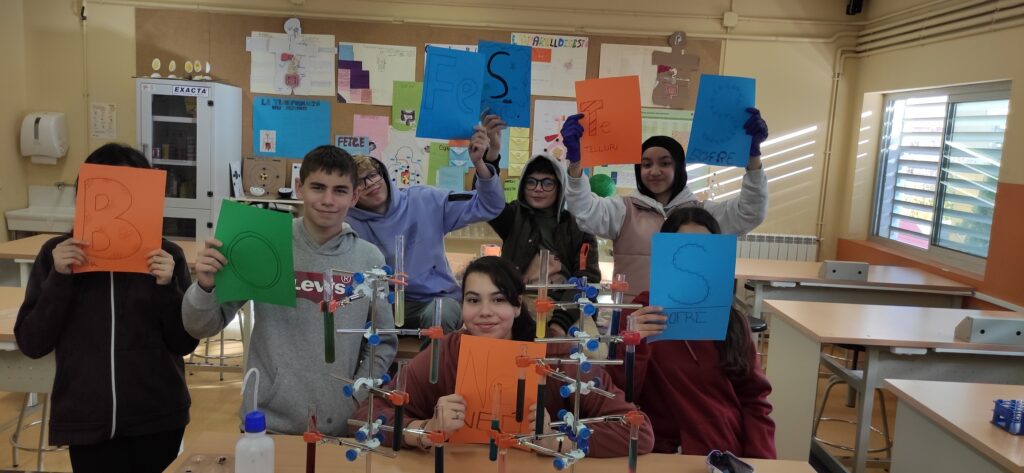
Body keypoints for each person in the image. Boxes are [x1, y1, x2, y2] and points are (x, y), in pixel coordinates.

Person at [182, 145, 396, 436]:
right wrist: (205, 287)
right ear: (299, 187)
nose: (328, 200)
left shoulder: (370, 259)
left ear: (354, 196)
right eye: (318, 187)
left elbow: (382, 342)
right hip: (267, 423)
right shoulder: (265, 245)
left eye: (340, 190)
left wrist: (357, 395)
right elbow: (200, 326)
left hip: (339, 427)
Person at [352, 256, 655, 457]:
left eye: (498, 300)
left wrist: (559, 439)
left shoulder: (557, 355)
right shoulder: (445, 353)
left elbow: (637, 431)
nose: (485, 312)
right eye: (473, 300)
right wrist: (424, 430)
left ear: (517, 306)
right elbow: (363, 417)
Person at [15, 143, 198, 473]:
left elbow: (184, 342)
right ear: (84, 197)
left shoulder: (166, 256)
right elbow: (32, 342)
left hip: (158, 416)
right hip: (86, 420)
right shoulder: (56, 255)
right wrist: (60, 279)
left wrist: (166, 287)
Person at [607, 207, 775, 458]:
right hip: (659, 452)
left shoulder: (731, 322)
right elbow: (619, 395)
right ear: (665, 257)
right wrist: (634, 347)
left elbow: (755, 398)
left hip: (723, 450)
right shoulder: (640, 314)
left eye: (703, 250)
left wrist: (762, 460)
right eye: (682, 247)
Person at [562, 110, 770, 300]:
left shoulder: (702, 215)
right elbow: (584, 210)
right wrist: (576, 164)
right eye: (646, 164)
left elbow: (749, 212)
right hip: (634, 319)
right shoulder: (623, 210)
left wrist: (753, 159)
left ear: (679, 168)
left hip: (688, 316)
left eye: (665, 163)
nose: (654, 171)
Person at [346, 114, 507, 333]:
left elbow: (489, 206)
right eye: (359, 182)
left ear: (383, 173)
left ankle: (430, 358)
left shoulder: (425, 200)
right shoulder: (348, 223)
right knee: (356, 318)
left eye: (373, 175)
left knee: (440, 316)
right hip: (383, 303)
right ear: (351, 192)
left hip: (435, 299)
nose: (370, 184)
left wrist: (480, 163)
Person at [486, 154, 600, 336]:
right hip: (518, 304)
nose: (538, 189)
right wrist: (489, 160)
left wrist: (560, 323)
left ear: (559, 187)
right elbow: (487, 201)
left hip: (567, 306)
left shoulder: (579, 225)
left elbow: (587, 279)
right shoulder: (513, 217)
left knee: (591, 350)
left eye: (547, 183)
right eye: (531, 182)